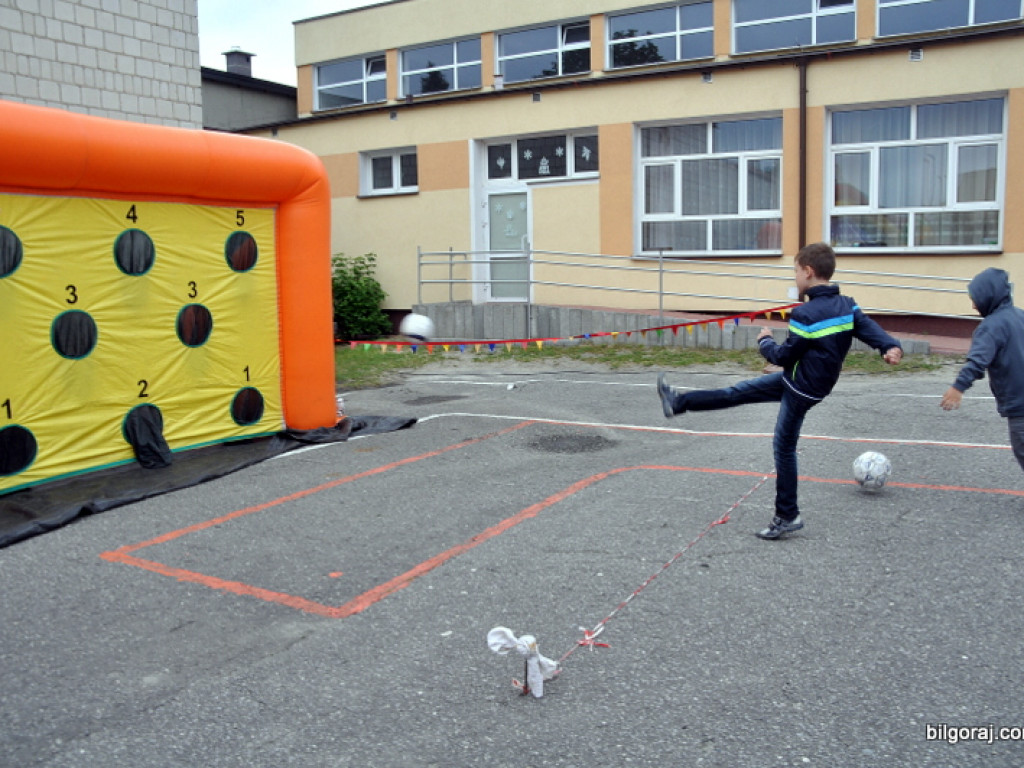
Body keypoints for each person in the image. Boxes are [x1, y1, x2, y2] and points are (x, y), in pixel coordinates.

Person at [657, 242, 903, 539]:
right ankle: (678, 402)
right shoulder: (846, 305)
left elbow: (783, 357)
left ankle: (787, 515)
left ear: (809, 272)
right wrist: (890, 346)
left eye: (796, 271)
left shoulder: (805, 314)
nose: (795, 278)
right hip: (801, 382)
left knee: (783, 448)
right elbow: (869, 329)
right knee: (738, 392)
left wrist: (764, 341)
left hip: (801, 389)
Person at [939, 267, 1024, 473]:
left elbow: (977, 362)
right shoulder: (1020, 316)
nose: (974, 305)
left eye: (976, 298)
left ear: (989, 295)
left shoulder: (991, 327)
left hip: (1020, 406)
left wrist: (958, 387)